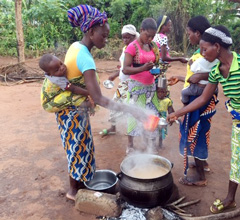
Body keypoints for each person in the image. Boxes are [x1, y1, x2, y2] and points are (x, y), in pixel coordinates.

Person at [167, 25, 240, 220]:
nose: (202, 54)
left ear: (217, 46)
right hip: (239, 121)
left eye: (205, 49)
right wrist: (177, 113)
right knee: (237, 160)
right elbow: (202, 99)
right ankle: (230, 199)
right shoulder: (217, 71)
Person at [41, 4, 146, 201]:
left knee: (80, 147)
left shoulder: (75, 46)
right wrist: (132, 110)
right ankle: (73, 192)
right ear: (91, 31)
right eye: (103, 36)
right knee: (77, 148)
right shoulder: (85, 58)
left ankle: (82, 185)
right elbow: (98, 97)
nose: (105, 40)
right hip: (73, 113)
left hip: (69, 112)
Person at [167, 15, 217, 187]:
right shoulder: (202, 51)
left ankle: (201, 177)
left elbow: (219, 72)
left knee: (195, 133)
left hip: (199, 100)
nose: (189, 37)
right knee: (200, 131)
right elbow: (194, 77)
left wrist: (178, 112)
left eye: (189, 33)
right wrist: (180, 78)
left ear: (198, 32)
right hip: (199, 97)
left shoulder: (208, 53)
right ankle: (202, 163)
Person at [122, 18, 161, 154]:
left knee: (152, 116)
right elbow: (125, 69)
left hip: (151, 87)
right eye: (147, 35)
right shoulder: (132, 47)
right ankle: (130, 145)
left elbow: (156, 61)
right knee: (134, 116)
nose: (150, 39)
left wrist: (156, 69)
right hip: (136, 88)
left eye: (152, 36)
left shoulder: (153, 46)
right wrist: (143, 68)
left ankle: (150, 144)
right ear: (141, 30)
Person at [99, 24, 139, 138]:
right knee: (114, 103)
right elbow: (124, 67)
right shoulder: (125, 49)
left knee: (130, 107)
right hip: (123, 83)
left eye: (128, 37)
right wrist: (115, 75)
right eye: (124, 37)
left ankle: (133, 132)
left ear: (134, 36)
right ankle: (113, 127)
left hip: (132, 83)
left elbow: (132, 68)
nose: (125, 40)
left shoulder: (136, 50)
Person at [156, 82, 174, 148]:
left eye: (163, 92)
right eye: (158, 92)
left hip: (163, 119)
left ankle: (160, 144)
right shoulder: (154, 99)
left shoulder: (167, 101)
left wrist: (172, 118)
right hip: (155, 117)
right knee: (153, 131)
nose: (160, 94)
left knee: (161, 132)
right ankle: (152, 144)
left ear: (166, 93)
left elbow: (171, 111)